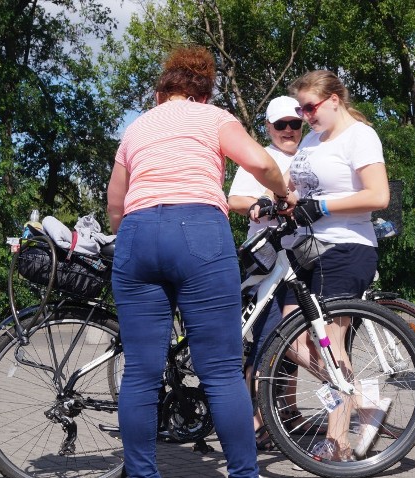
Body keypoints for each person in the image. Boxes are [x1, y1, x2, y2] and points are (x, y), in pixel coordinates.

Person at [106, 46, 295, 478]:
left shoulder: (136, 129)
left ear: (161, 93)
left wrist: (135, 233)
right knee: (224, 371)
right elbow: (261, 163)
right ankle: (244, 474)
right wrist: (282, 195)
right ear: (203, 94)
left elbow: (115, 203)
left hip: (137, 235)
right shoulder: (212, 118)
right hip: (198, 231)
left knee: (140, 373)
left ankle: (141, 474)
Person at [275, 69, 391, 461]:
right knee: (290, 342)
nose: (305, 116)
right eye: (301, 108)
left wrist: (323, 205)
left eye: (311, 107)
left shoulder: (360, 136)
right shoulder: (310, 140)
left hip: (347, 246)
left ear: (335, 99)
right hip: (309, 249)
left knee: (331, 344)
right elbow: (293, 187)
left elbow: (378, 195)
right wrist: (274, 200)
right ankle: (362, 401)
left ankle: (338, 441)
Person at [227, 95, 305, 451]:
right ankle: (257, 421)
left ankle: (287, 412)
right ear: (268, 127)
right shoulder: (261, 157)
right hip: (269, 260)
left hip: (304, 257)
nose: (289, 131)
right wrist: (261, 204)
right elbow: (235, 200)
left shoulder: (311, 153)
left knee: (295, 338)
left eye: (295, 124)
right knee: (268, 339)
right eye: (281, 125)